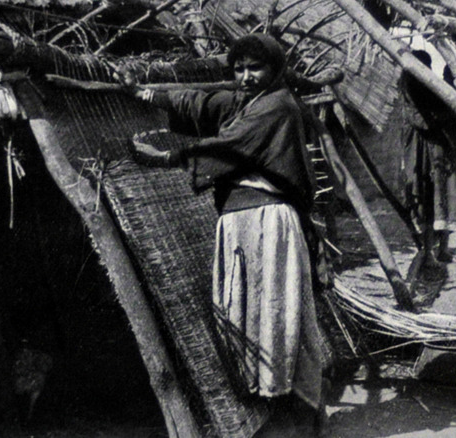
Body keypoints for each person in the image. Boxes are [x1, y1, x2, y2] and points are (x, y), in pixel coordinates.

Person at [121, 33, 332, 432]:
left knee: (275, 309)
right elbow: (200, 103)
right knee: (248, 310)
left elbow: (232, 144)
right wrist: (144, 93)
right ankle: (273, 400)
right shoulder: (246, 101)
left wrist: (167, 158)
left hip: (268, 222)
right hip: (241, 222)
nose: (247, 76)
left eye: (256, 68)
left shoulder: (278, 107)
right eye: (239, 69)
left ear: (275, 70)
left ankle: (295, 410)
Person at [400, 50, 456, 275]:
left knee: (445, 196)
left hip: (440, 150)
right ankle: (428, 252)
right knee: (427, 198)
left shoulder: (432, 89)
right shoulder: (409, 87)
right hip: (422, 151)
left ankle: (442, 250)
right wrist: (442, 119)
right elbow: (418, 118)